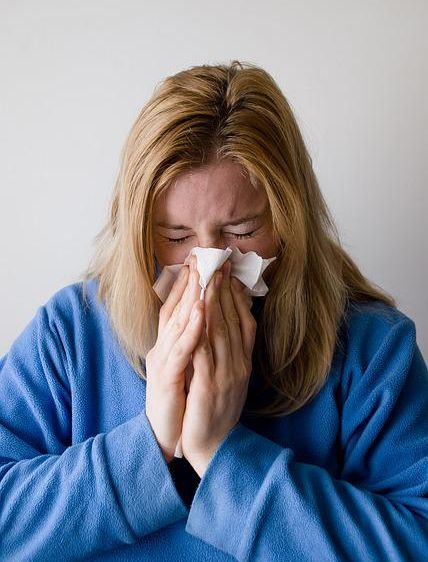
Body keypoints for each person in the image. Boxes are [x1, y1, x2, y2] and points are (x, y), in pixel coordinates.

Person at [0, 61, 427, 562]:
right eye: (176, 237)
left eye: (241, 232)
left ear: (289, 223)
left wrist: (221, 453)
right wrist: (152, 443)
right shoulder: (68, 334)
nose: (208, 267)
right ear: (138, 230)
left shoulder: (372, 350)